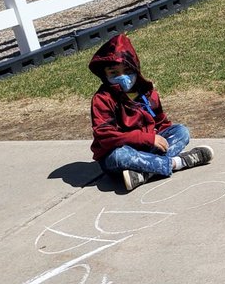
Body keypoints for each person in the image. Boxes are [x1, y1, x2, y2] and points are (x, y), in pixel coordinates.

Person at [88, 32, 214, 193]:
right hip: (121, 153)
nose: (122, 77)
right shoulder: (102, 99)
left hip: (148, 149)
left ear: (135, 68)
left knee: (181, 131)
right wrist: (147, 138)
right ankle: (179, 162)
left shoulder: (147, 93)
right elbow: (105, 136)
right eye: (114, 73)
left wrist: (161, 137)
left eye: (127, 70)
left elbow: (161, 123)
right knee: (119, 156)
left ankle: (145, 173)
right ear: (104, 74)